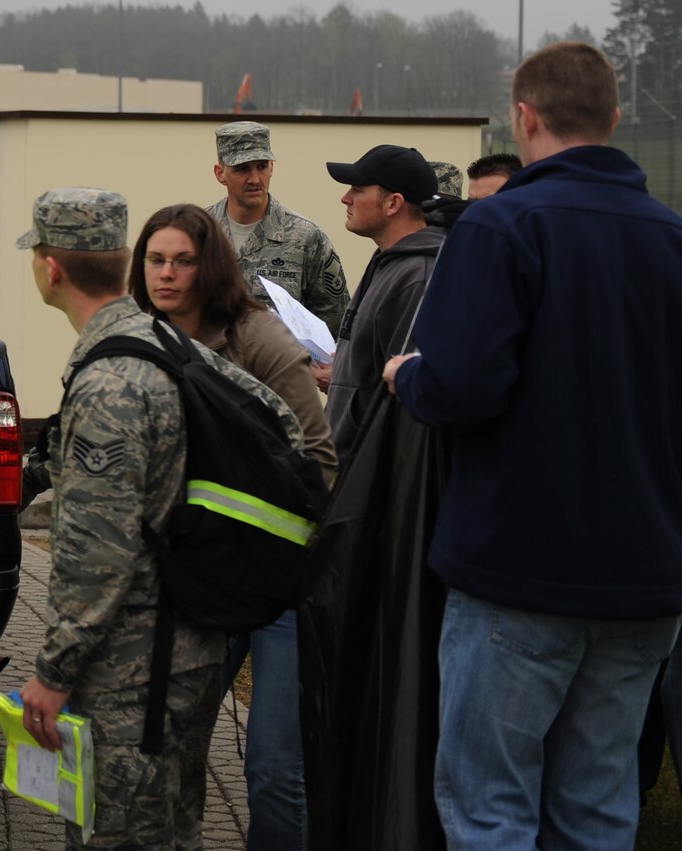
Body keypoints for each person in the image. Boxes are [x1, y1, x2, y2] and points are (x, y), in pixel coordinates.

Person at [387, 41, 682, 850]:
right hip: (644, 583)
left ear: (523, 118)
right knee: (597, 809)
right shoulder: (671, 237)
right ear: (615, 118)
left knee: (491, 813)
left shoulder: (500, 225)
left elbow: (461, 388)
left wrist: (406, 374)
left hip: (519, 573)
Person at [15, 187, 297, 851]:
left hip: (132, 672)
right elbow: (284, 423)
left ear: (50, 268)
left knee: (120, 835)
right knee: (175, 830)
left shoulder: (111, 379)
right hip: (181, 653)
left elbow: (96, 554)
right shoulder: (166, 342)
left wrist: (53, 669)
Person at [129, 202, 332, 851]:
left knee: (272, 764)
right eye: (155, 259)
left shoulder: (260, 336)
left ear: (209, 264)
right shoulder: (141, 336)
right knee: (166, 739)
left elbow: (319, 459)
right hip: (196, 577)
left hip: (277, 581)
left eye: (182, 260)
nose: (166, 274)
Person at [321, 145, 440, 464]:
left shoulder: (418, 277)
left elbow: (404, 401)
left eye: (358, 189)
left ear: (393, 203)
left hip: (371, 485)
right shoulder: (389, 261)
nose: (346, 198)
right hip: (350, 470)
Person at [207, 121, 350, 339]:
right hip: (209, 369)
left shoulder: (305, 238)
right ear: (220, 173)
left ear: (272, 167)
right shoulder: (200, 232)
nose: (255, 179)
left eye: (262, 166)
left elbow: (335, 325)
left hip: (280, 370)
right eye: (242, 169)